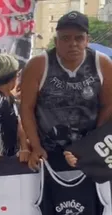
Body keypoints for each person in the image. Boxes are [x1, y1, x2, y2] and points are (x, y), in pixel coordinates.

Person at [20, 11, 112, 170]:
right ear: (56, 41)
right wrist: (35, 146)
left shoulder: (102, 64)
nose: (73, 43)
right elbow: (26, 108)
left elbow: (108, 105)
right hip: (48, 151)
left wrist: (93, 143)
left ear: (87, 41)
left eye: (79, 38)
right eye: (65, 38)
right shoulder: (38, 65)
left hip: (88, 152)